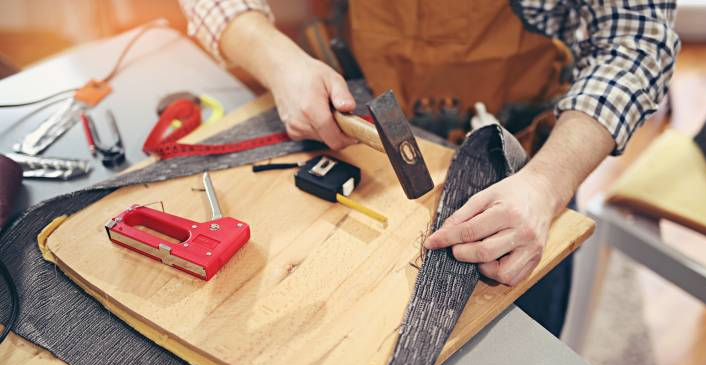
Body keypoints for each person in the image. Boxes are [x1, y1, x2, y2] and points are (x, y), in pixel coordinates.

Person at [178, 0, 679, 336]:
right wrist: (276, 60)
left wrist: (548, 183)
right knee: (351, 340)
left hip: (524, 171)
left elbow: (636, 45)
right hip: (358, 132)